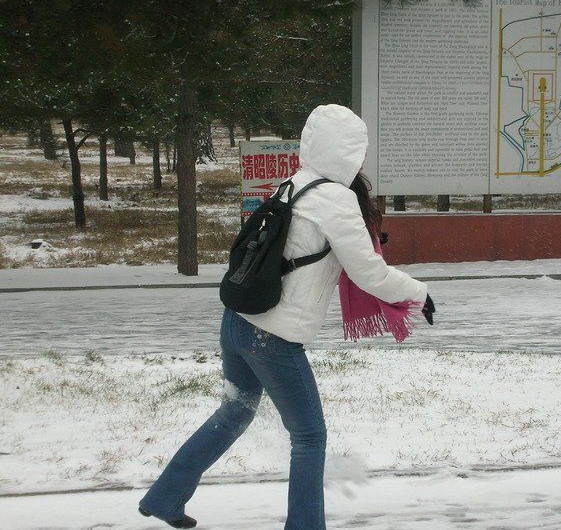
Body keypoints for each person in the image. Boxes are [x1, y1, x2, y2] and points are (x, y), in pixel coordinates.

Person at [138, 104, 435, 529]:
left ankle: (166, 497)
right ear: (348, 152)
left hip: (237, 321)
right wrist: (418, 292)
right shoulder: (336, 199)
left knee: (234, 411)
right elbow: (369, 273)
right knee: (309, 437)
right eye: (359, 151)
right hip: (271, 337)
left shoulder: (292, 184)